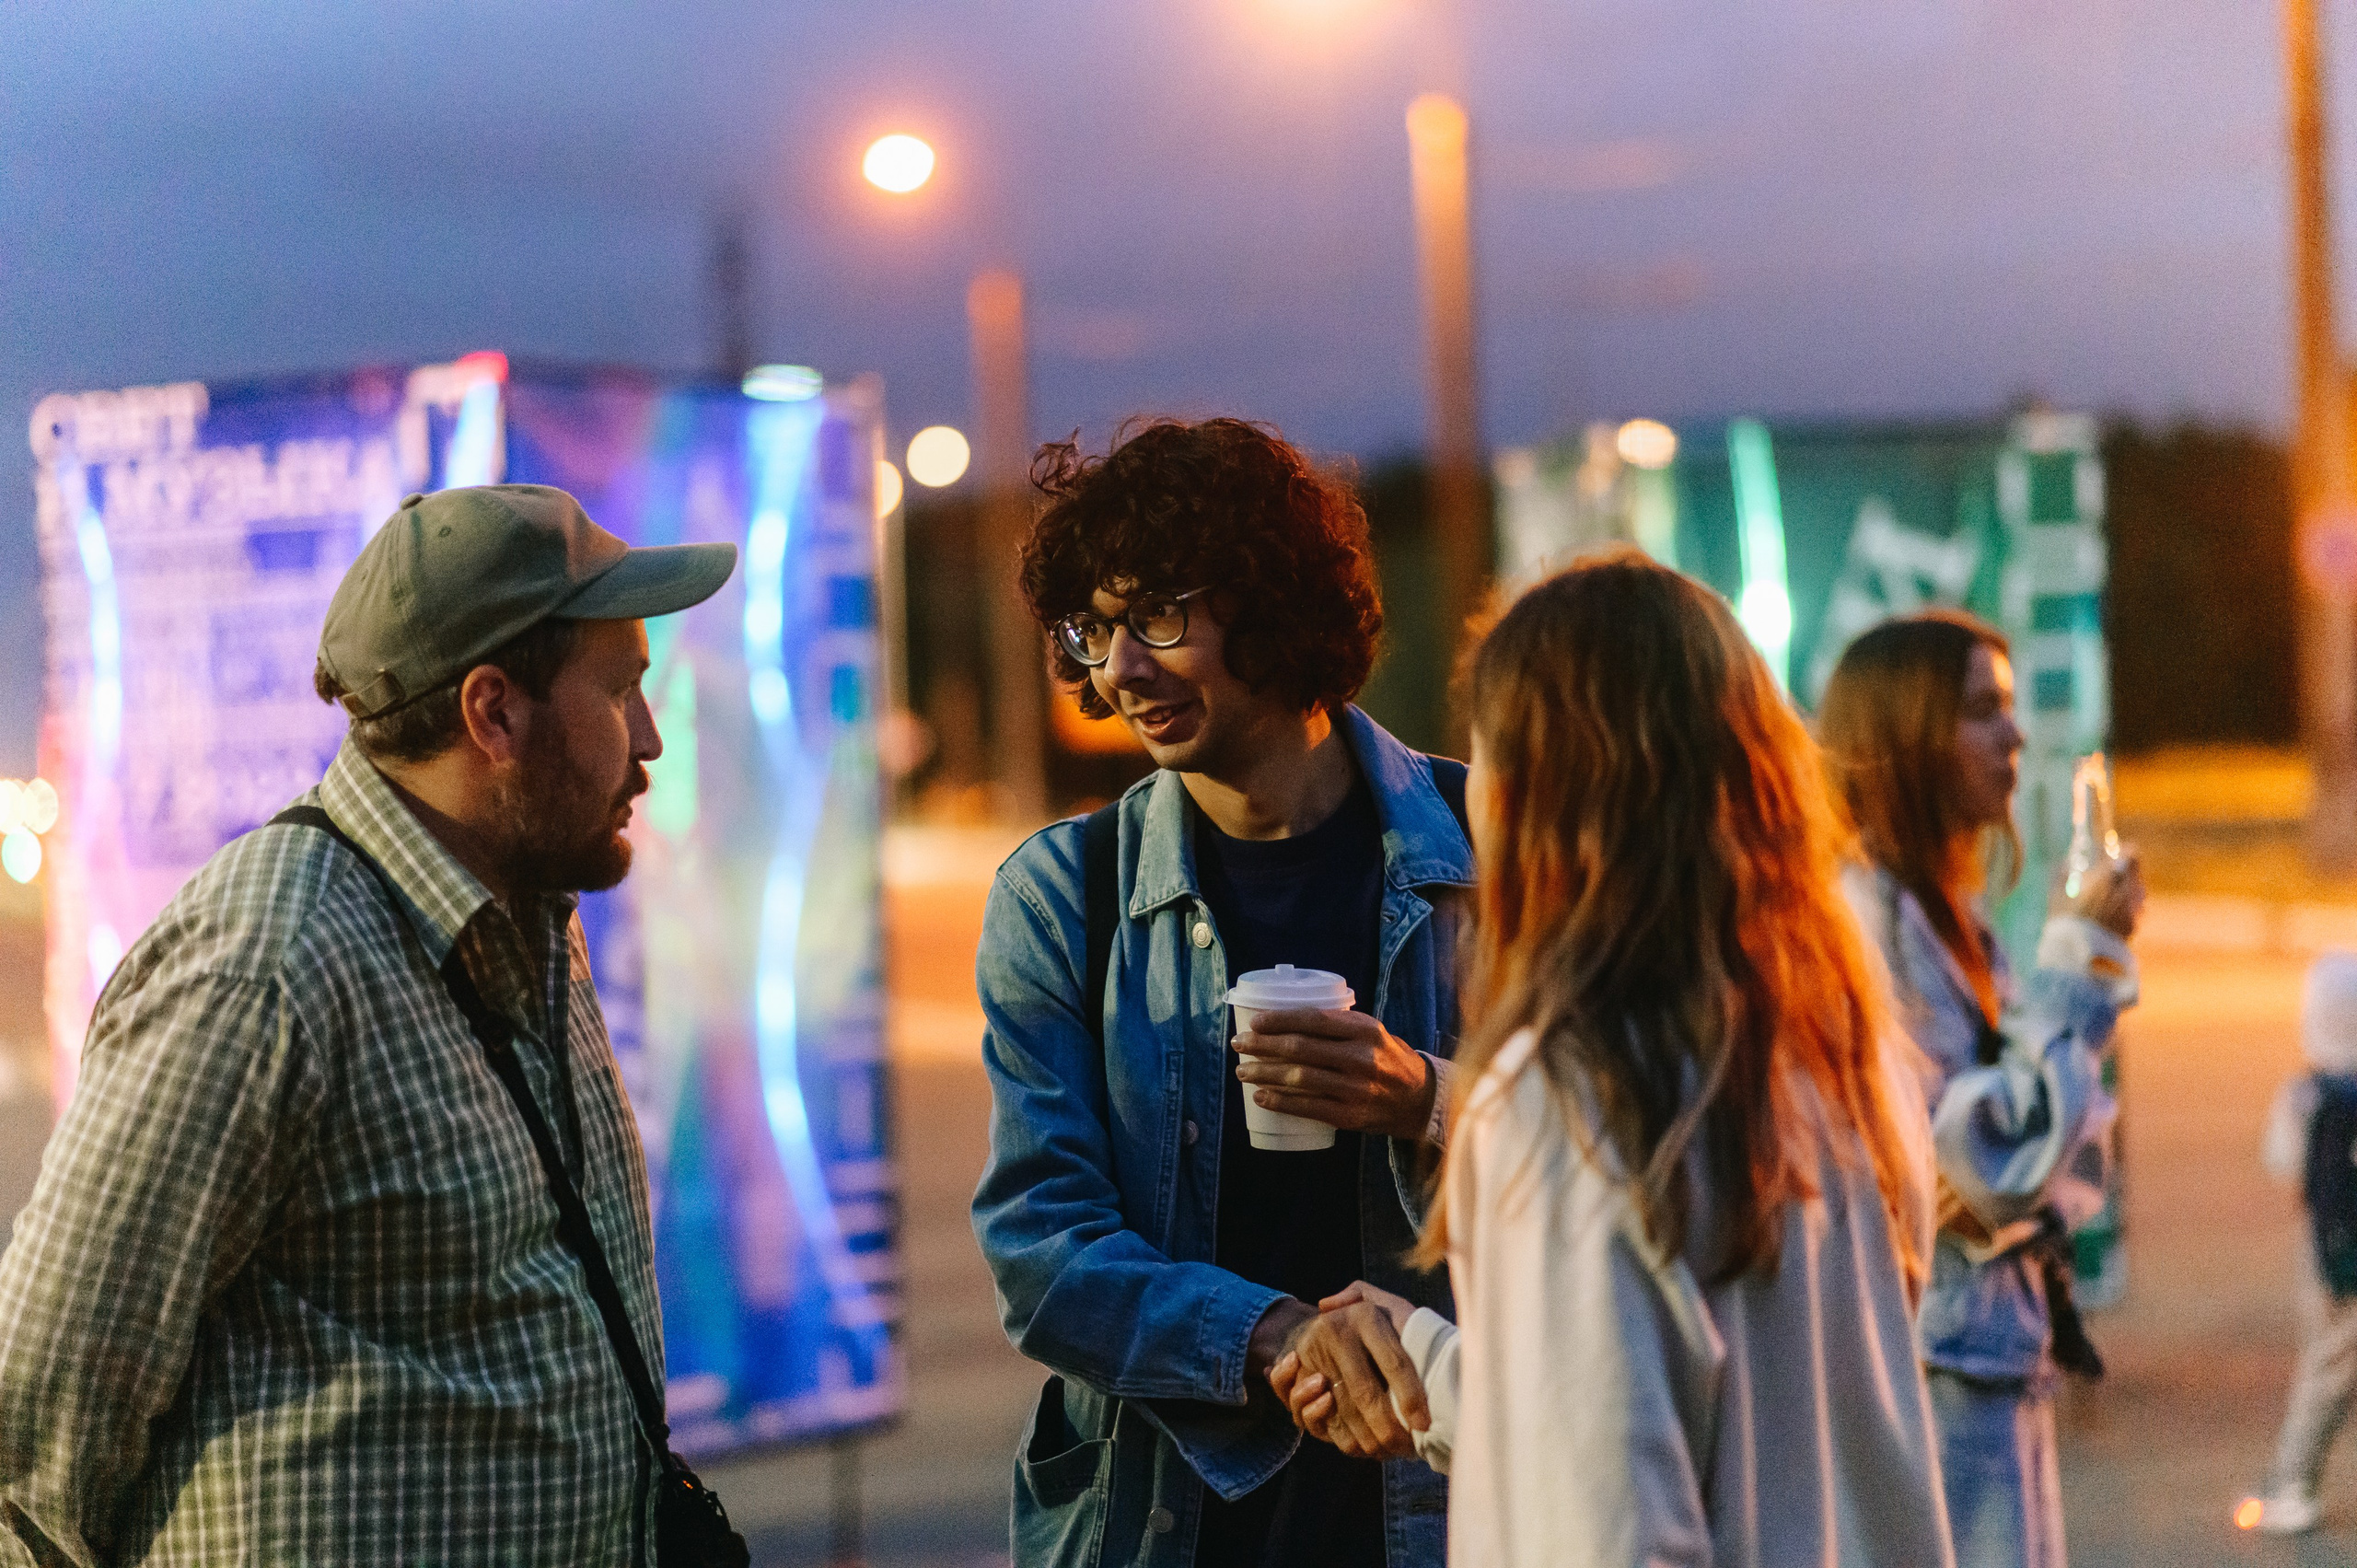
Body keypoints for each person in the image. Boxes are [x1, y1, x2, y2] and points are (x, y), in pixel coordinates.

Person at [0, 484, 735, 1566]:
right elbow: (34, 1426)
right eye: (621, 688)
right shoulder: (267, 960)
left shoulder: (529, 913)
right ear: (493, 713)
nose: (651, 736)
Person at [1275, 551, 1955, 1564]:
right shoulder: (1836, 1047)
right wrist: (1434, 1365)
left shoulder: (1565, 1090)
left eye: (1487, 751)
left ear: (1545, 792)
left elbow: (1609, 1519)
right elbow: (1738, 1414)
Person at [970, 419, 1469, 1568]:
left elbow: (1631, 1152)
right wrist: (1273, 1332)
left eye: (1156, 615)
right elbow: (1040, 1246)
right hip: (1163, 1519)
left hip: (1448, 1505)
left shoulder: (1493, 847)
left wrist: (1425, 1094)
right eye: (1092, 628)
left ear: (1272, 598)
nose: (1118, 669)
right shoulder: (1062, 894)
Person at [1817, 610, 2142, 1568]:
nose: (2014, 734)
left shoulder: (1944, 912)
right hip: (1937, 1365)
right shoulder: (1867, 921)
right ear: (1905, 734)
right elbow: (1977, 1165)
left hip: (1990, 1352)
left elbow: (2058, 1156)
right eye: (1980, 709)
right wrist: (2084, 959)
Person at [2238, 951, 2357, 1534]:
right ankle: (2292, 1484)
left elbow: (2281, 1160)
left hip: (2326, 1253)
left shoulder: (2305, 1093)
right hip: (2344, 1254)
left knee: (2326, 1368)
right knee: (2334, 1367)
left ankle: (2292, 1485)